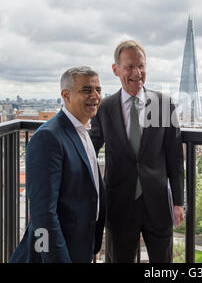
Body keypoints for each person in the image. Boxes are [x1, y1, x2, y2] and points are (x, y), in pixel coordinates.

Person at [90, 40, 184, 263]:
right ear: (116, 70)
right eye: (129, 66)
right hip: (120, 203)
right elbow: (90, 147)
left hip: (158, 203)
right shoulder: (105, 108)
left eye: (141, 66)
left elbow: (174, 156)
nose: (136, 72)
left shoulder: (163, 104)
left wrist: (178, 202)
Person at [9, 67, 105, 263]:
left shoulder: (83, 130)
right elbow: (42, 214)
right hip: (57, 252)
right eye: (86, 90)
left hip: (80, 245)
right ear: (66, 95)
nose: (95, 95)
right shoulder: (48, 137)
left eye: (98, 89)